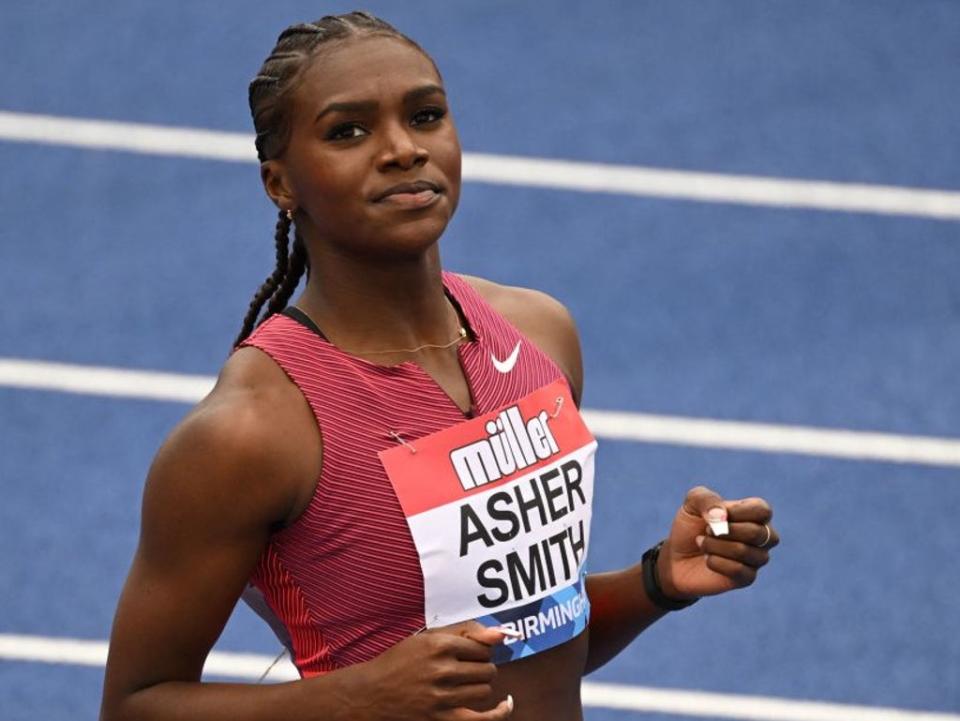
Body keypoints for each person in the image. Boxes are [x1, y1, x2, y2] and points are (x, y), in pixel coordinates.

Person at [100, 11, 779, 721]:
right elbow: (134, 706)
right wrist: (358, 698)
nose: (402, 150)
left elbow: (534, 644)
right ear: (280, 182)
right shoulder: (252, 431)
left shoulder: (539, 335)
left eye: (425, 116)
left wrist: (656, 581)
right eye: (348, 131)